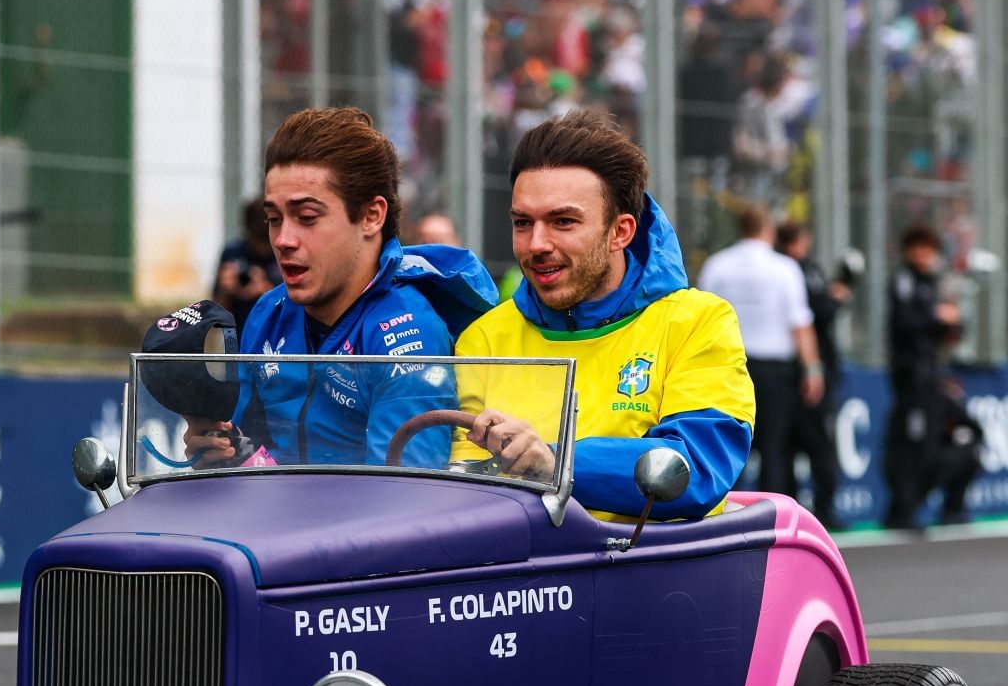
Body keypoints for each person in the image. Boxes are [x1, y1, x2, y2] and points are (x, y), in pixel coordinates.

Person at [450, 108, 755, 520]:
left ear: (621, 231)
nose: (536, 243)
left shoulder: (698, 321)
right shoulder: (483, 337)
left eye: (563, 221)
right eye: (523, 222)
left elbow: (695, 467)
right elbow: (460, 487)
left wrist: (555, 461)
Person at [183, 107, 498, 469]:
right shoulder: (269, 310)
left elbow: (404, 505)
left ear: (371, 216)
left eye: (307, 218)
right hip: (273, 521)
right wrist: (218, 448)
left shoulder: (408, 335)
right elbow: (245, 451)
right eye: (274, 219)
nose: (283, 239)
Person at [696, 204, 823, 498]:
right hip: (774, 371)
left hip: (728, 366)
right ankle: (770, 519)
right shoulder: (784, 268)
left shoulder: (717, 264)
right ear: (768, 230)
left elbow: (702, 319)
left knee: (728, 445)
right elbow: (800, 323)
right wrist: (813, 369)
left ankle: (722, 516)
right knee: (774, 446)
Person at [883, 224, 966, 529]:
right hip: (910, 379)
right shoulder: (904, 280)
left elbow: (946, 333)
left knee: (933, 442)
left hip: (929, 376)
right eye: (918, 249)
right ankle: (901, 511)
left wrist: (951, 322)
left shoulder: (932, 283)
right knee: (910, 443)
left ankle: (918, 506)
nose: (923, 255)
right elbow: (905, 322)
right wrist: (936, 316)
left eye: (928, 250)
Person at [774, 220, 848, 528]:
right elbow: (818, 312)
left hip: (779, 372)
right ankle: (824, 511)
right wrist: (836, 297)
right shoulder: (797, 270)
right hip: (805, 372)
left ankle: (788, 512)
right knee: (817, 444)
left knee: (784, 446)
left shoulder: (777, 267)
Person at [211, 197, 280, 329]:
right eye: (258, 240)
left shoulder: (284, 254)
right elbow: (217, 319)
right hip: (239, 333)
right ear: (247, 232)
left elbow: (298, 311)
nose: (262, 249)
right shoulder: (233, 253)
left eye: (266, 241)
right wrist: (226, 291)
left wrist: (266, 291)